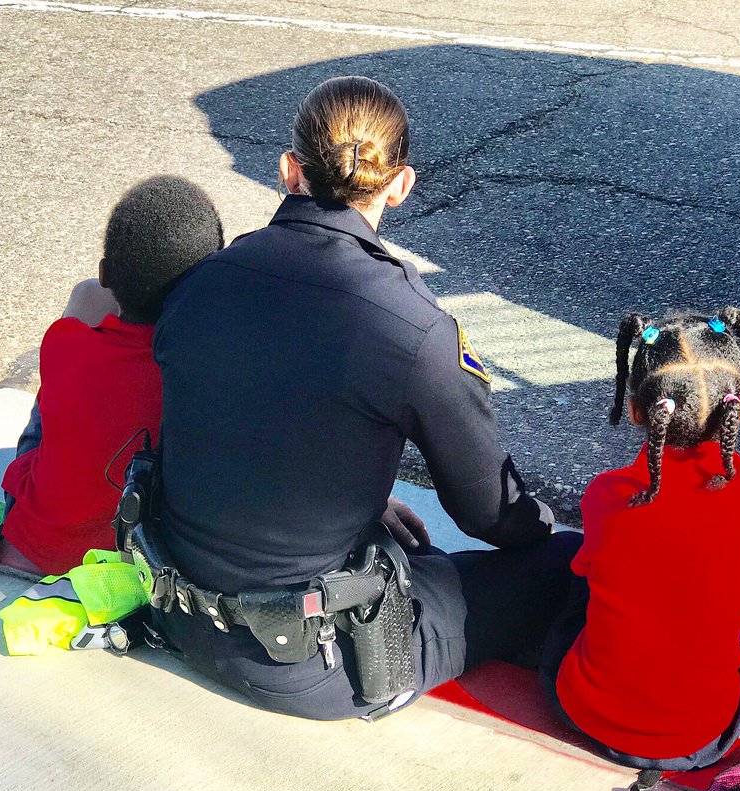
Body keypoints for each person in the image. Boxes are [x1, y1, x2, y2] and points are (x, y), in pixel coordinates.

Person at [149, 75, 581, 721]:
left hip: (180, 615)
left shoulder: (203, 280)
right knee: (568, 560)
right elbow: (490, 513)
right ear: (400, 184)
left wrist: (361, 495)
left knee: (412, 549)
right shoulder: (411, 326)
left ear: (289, 171)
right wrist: (544, 531)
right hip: (314, 666)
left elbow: (235, 425)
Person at [540, 308, 740, 770]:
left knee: (587, 579)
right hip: (696, 741)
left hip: (583, 713)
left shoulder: (607, 493)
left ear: (638, 411)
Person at [2, 176, 224, 574]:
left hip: (37, 541)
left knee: (53, 397)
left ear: (107, 273)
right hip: (137, 562)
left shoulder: (63, 341)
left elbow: (90, 302)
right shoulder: (205, 372)